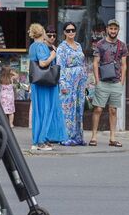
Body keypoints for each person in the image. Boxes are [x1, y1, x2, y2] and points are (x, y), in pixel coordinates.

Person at [88, 20, 129, 147]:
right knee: (98, 109)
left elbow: (124, 64)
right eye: (111, 28)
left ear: (118, 30)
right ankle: (94, 136)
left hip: (116, 82)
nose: (113, 31)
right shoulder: (99, 44)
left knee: (113, 110)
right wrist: (97, 80)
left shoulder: (122, 46)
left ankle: (112, 138)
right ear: (107, 29)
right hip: (103, 82)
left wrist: (122, 81)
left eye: (115, 29)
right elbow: (95, 62)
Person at [27, 23, 65, 151]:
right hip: (46, 83)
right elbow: (43, 63)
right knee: (47, 110)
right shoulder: (41, 46)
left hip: (37, 82)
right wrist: (52, 56)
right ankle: (41, 141)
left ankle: (37, 139)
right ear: (42, 32)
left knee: (38, 112)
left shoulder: (32, 46)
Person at [56, 22, 88, 146]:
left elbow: (82, 63)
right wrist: (62, 84)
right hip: (68, 81)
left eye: (73, 30)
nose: (71, 32)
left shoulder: (79, 45)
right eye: (68, 30)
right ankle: (66, 137)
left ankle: (78, 136)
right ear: (64, 32)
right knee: (68, 109)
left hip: (80, 81)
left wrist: (85, 81)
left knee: (79, 108)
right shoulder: (61, 47)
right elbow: (60, 66)